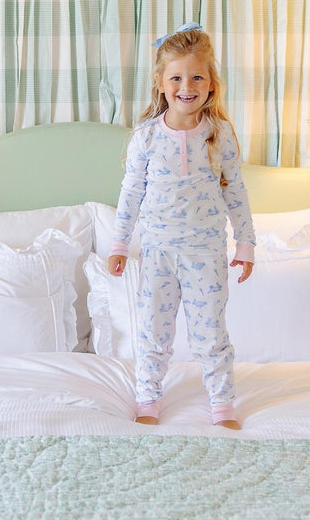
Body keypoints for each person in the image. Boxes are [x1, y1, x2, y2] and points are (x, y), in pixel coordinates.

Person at [107, 23, 255, 429]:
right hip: (157, 252)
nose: (186, 86)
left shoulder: (219, 134)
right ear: (160, 83)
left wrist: (245, 243)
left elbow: (235, 190)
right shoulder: (146, 136)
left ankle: (222, 405)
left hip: (205, 253)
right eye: (176, 78)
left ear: (211, 83)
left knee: (211, 334)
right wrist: (119, 244)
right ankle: (148, 399)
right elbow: (131, 192)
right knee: (153, 332)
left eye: (196, 77)